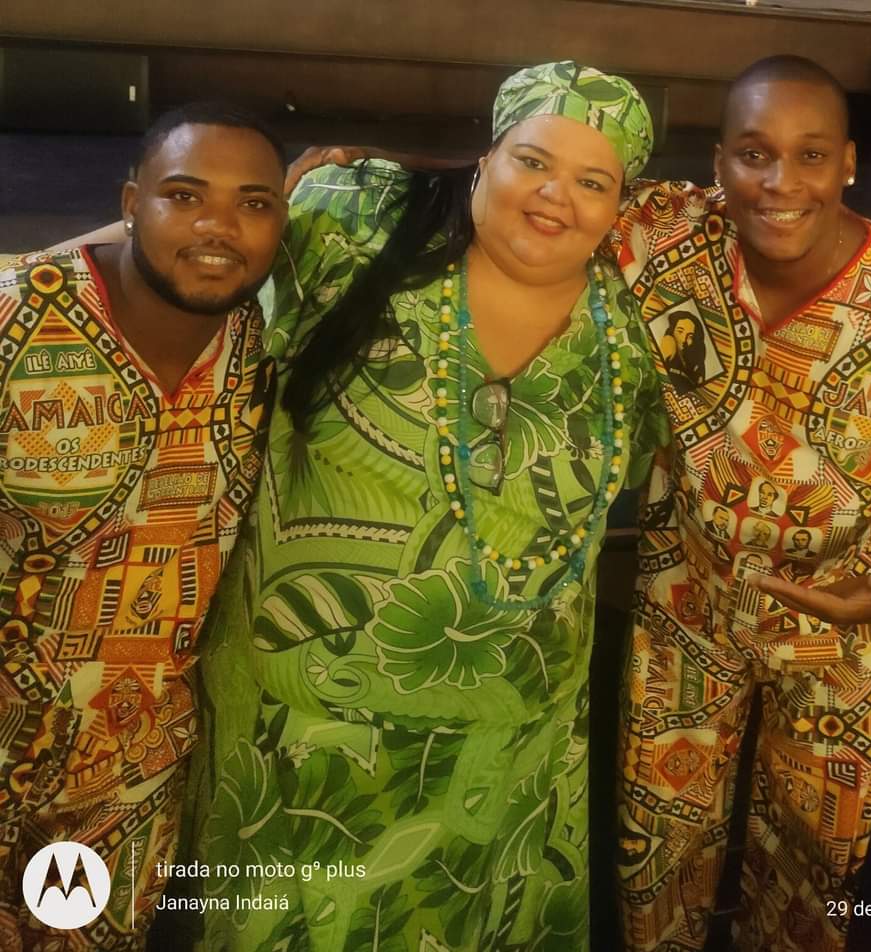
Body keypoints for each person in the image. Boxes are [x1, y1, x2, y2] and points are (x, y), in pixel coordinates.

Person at [191, 62, 664, 951]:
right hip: (305, 733)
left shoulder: (638, 324)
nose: (555, 196)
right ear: (484, 159)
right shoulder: (353, 226)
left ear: (621, 207)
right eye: (533, 161)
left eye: (592, 181)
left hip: (501, 758)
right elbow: (185, 250)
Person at [608, 56, 871, 952]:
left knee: (814, 864)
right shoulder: (664, 234)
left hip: (840, 632)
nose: (780, 182)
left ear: (847, 163)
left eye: (809, 155)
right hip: (686, 604)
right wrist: (361, 167)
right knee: (657, 847)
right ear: (718, 163)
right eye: (753, 154)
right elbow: (539, 180)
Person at [0, 103, 287, 950]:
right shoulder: (17, 319)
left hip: (125, 776)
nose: (218, 227)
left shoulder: (262, 344)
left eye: (253, 203)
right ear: (131, 203)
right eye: (184, 196)